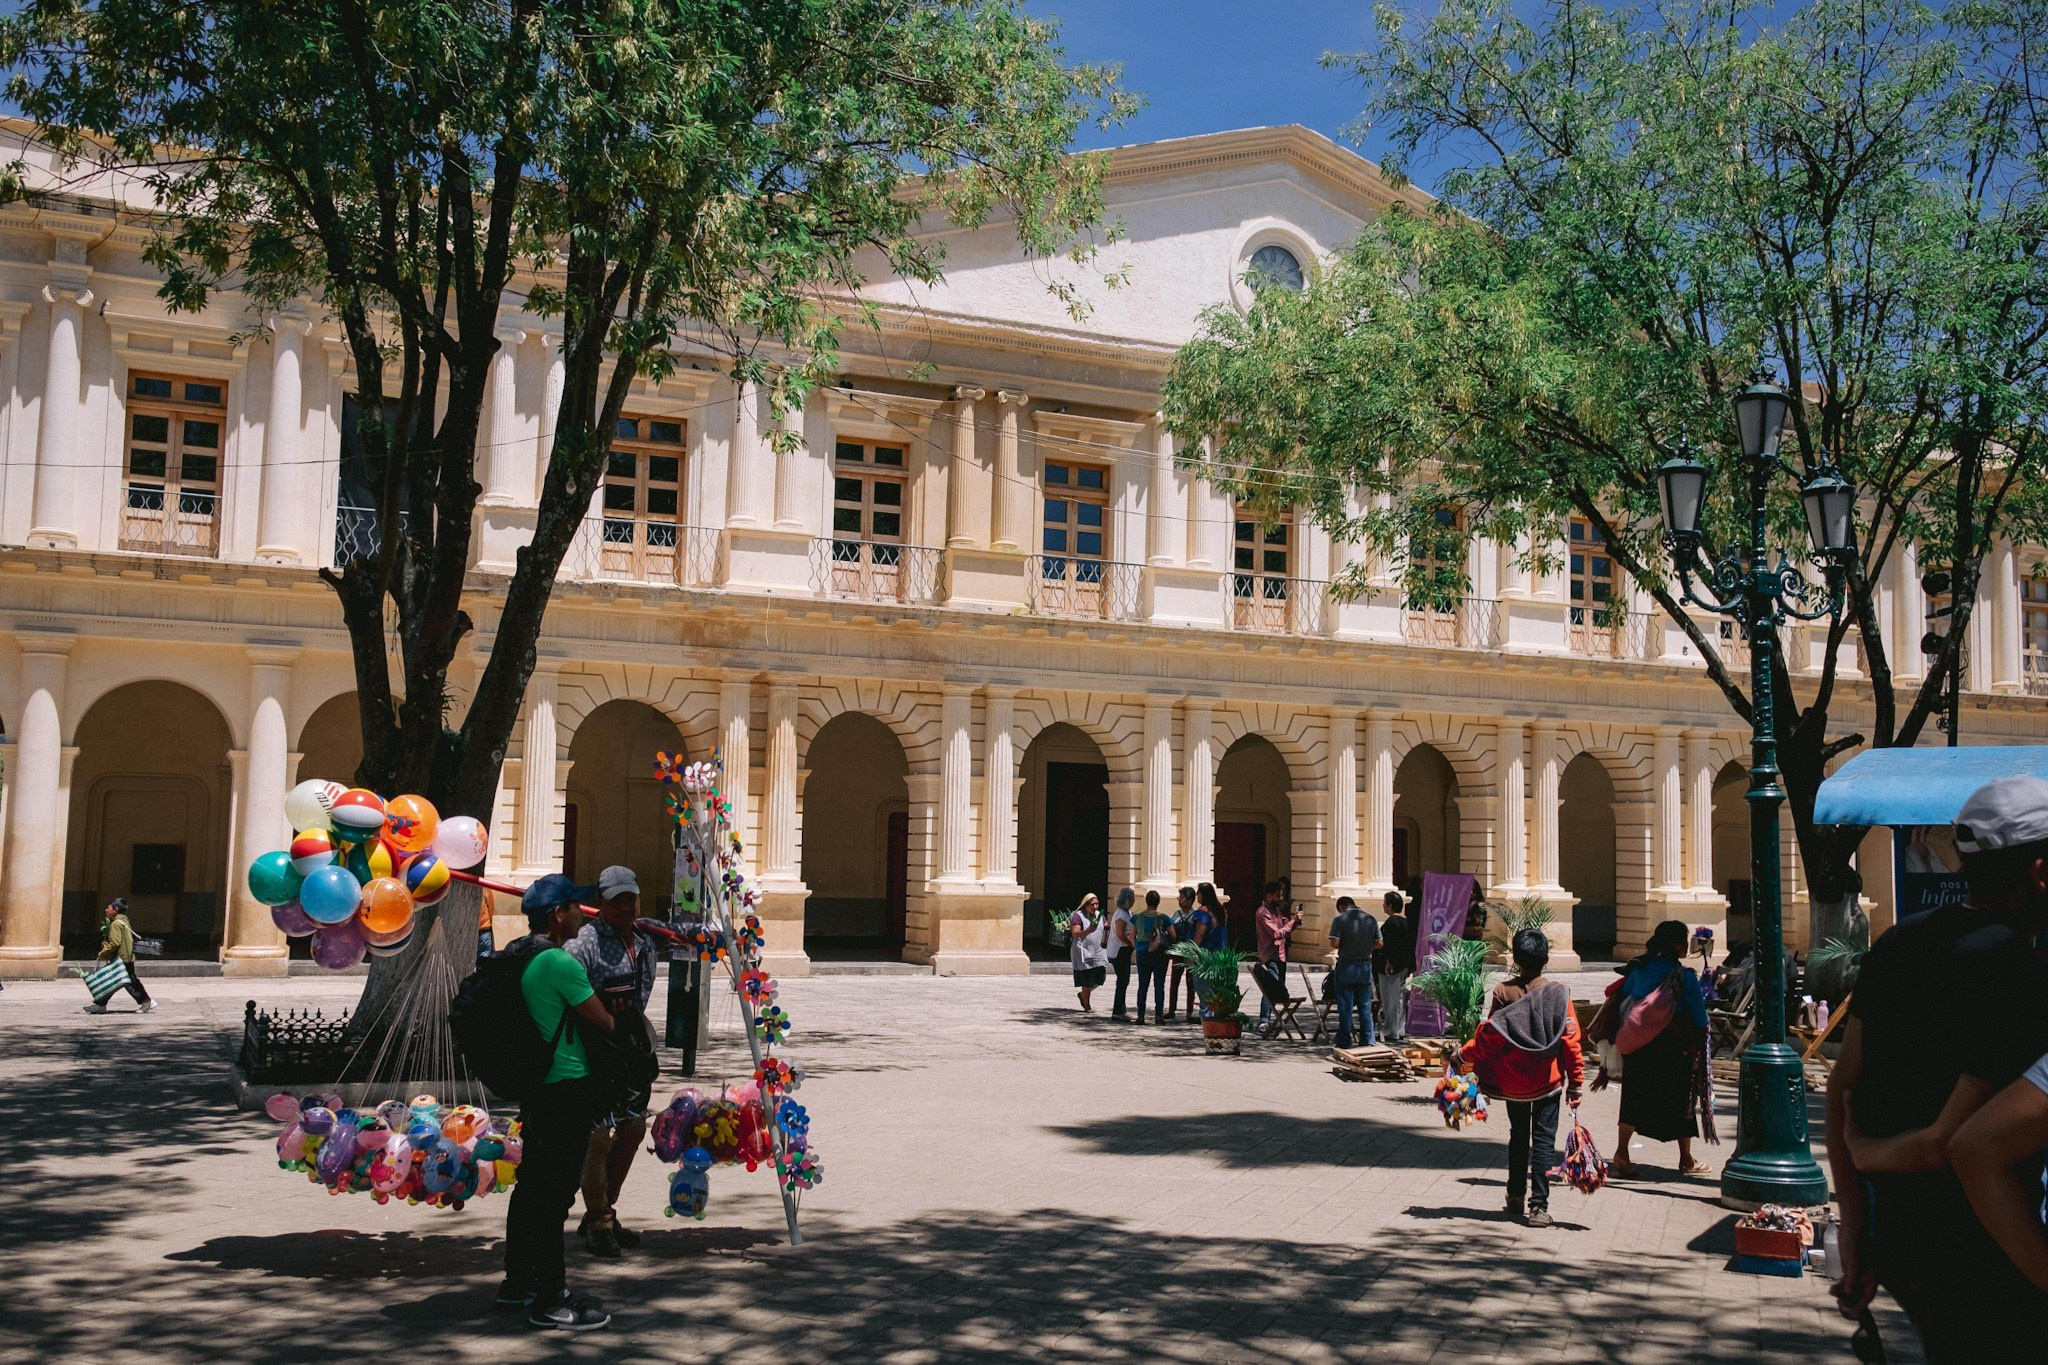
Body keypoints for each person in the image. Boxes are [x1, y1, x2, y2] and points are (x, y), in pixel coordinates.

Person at [1826, 776, 2048, 1359]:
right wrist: (1871, 1153)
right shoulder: (2014, 969)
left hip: (1903, 1236)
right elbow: (1948, 1142)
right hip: (1991, 1248)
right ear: (2040, 873)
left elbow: (1839, 1088)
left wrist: (1854, 1228)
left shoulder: (1899, 944)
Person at [498, 873, 617, 1332]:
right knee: (553, 1197)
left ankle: (516, 1284)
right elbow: (604, 1021)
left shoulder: (519, 954)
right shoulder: (560, 963)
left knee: (531, 1191)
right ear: (556, 915)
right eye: (574, 907)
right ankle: (552, 1298)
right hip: (566, 1087)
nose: (581, 914)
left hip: (538, 1087)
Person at [1463, 929, 1584, 1226]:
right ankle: (1538, 1208)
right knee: (1543, 1141)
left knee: (1518, 1137)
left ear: (1515, 960)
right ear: (1546, 959)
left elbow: (1490, 1038)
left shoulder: (1503, 993)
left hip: (1514, 1083)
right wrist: (1576, 1082)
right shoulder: (1560, 994)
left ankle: (1515, 1195)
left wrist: (1463, 1056)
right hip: (1548, 1082)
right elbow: (1570, 1041)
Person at [568, 866, 659, 1259]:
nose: (625, 907)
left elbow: (696, 938)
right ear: (600, 902)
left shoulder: (645, 935)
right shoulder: (585, 942)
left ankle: (602, 1211)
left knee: (634, 1128)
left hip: (632, 1054)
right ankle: (600, 1220)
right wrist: (600, 1009)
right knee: (595, 1138)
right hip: (593, 1052)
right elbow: (568, 989)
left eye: (630, 899)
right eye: (616, 900)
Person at [1594, 920, 1709, 1178]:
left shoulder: (1640, 968)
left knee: (1633, 1097)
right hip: (1672, 1047)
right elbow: (1700, 1019)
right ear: (1679, 945)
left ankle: (1622, 1152)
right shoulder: (1685, 976)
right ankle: (1686, 1159)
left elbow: (1627, 996)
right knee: (1682, 1101)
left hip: (1638, 1045)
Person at [1325, 895, 1379, 1050]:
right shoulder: (1371, 919)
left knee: (1345, 1005)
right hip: (1364, 966)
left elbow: (1334, 942)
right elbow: (1379, 943)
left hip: (1347, 965)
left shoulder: (1340, 919)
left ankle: (1344, 1039)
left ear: (1342, 906)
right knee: (1364, 1005)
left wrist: (1347, 944)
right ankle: (1367, 1038)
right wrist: (1365, 946)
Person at [85, 899, 152, 1014]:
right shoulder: (124, 921)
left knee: (124, 981)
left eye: (109, 908)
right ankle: (100, 1004)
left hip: (121, 958)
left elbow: (115, 943)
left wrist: (103, 953)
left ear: (115, 909)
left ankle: (146, 1001)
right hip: (127, 957)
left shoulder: (116, 924)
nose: (106, 910)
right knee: (117, 981)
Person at [1254, 880, 1301, 1031]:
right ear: (1268, 896)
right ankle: (1264, 1020)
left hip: (1280, 956)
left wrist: (1293, 922)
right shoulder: (1263, 912)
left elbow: (1284, 929)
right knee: (1269, 988)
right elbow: (1276, 933)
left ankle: (1271, 1018)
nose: (1281, 898)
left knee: (1278, 989)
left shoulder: (1276, 911)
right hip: (1270, 957)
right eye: (1277, 896)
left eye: (1281, 895)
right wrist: (1292, 923)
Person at [1375, 891, 1414, 1044]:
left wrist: (1389, 962)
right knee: (1399, 998)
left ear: (1390, 905)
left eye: (1385, 903)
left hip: (1391, 966)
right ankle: (1399, 1028)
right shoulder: (1406, 922)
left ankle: (1391, 1030)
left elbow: (1390, 946)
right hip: (1403, 965)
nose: (1383, 906)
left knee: (1390, 999)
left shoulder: (1392, 923)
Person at [1132, 889, 1170, 1024]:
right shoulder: (1164, 918)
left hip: (1142, 952)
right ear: (1158, 902)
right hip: (1159, 953)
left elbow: (1132, 936)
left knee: (1143, 984)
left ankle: (1140, 1015)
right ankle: (1158, 1015)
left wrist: (1137, 946)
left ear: (1146, 901)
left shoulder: (1137, 917)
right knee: (1159, 985)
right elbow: (1173, 935)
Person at [1069, 893, 1108, 1013]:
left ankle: (1083, 994)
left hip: (1098, 950)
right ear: (1085, 905)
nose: (1095, 907)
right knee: (1086, 979)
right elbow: (1075, 933)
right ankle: (1087, 1004)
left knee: (1101, 976)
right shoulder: (1078, 917)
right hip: (1083, 951)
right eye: (1092, 904)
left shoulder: (1100, 916)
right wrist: (1088, 930)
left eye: (1096, 904)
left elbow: (1105, 926)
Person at [1165, 886, 1198, 1021]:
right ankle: (1171, 1009)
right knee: (1174, 982)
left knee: (1191, 983)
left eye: (1183, 898)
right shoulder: (1176, 914)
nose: (1180, 900)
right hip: (1178, 952)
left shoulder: (1195, 916)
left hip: (1190, 952)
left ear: (1190, 900)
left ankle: (1189, 1012)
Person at [1109, 887, 1137, 1021]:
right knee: (1122, 980)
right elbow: (1120, 934)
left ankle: (1121, 1009)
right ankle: (1118, 1010)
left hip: (1124, 949)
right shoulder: (1121, 914)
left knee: (1124, 980)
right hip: (1120, 950)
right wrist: (1131, 943)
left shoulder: (1127, 913)